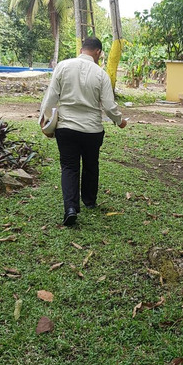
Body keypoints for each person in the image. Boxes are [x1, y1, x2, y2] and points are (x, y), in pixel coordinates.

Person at [39, 37, 128, 226]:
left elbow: (51, 97)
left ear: (81, 49)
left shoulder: (62, 66)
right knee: (91, 165)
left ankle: (70, 208)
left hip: (66, 128)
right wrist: (119, 121)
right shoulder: (101, 74)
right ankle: (89, 201)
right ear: (98, 53)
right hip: (92, 129)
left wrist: (45, 121)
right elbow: (109, 106)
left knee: (69, 167)